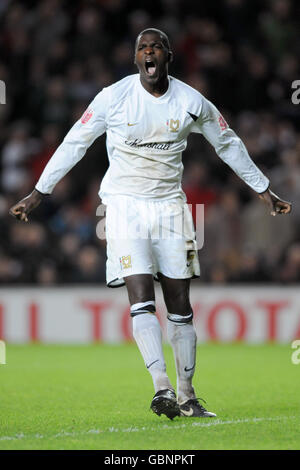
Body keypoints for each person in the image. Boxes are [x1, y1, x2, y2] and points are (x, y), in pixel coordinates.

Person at [9, 28, 292, 420]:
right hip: (123, 207)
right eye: (142, 47)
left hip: (171, 209)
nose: (149, 52)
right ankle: (162, 388)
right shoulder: (114, 98)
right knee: (140, 294)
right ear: (135, 58)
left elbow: (228, 142)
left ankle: (188, 395)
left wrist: (263, 189)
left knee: (180, 307)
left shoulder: (191, 101)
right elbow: (75, 141)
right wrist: (38, 192)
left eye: (155, 46)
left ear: (168, 55)